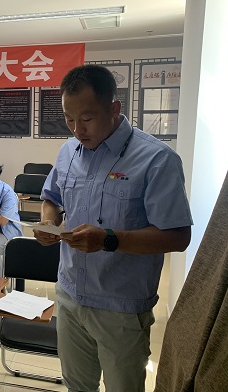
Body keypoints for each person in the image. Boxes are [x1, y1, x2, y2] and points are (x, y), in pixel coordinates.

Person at [33, 64, 193, 392]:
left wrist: (109, 240)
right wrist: (49, 221)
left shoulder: (156, 159)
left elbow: (178, 236)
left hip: (120, 307)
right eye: (69, 119)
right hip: (70, 294)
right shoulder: (68, 151)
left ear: (114, 108)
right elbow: (52, 197)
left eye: (87, 118)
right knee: (77, 386)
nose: (77, 129)